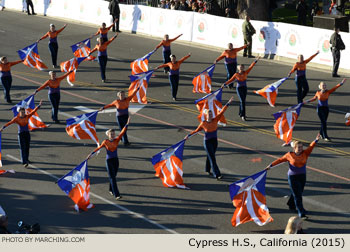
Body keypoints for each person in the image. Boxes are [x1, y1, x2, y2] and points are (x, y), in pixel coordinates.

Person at [265, 134, 321, 219]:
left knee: (299, 192)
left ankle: (291, 204)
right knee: (298, 195)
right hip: (293, 177)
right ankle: (301, 212)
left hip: (302, 176)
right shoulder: (289, 155)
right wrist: (271, 165)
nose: (301, 149)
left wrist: (316, 140)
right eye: (299, 147)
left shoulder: (305, 153)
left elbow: (311, 146)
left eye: (301, 147)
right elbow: (280, 160)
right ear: (294, 148)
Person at [185, 96, 234, 180]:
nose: (210, 116)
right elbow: (196, 131)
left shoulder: (215, 119)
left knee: (210, 155)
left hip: (214, 141)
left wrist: (228, 103)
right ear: (206, 115)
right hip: (207, 142)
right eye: (209, 115)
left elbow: (222, 111)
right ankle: (217, 174)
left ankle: (207, 169)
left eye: (211, 114)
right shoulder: (203, 124)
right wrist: (188, 136)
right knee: (213, 158)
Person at [87, 121, 130, 200]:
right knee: (112, 178)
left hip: (116, 160)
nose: (113, 135)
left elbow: (122, 132)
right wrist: (91, 154)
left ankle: (111, 189)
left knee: (114, 176)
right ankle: (116, 195)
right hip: (109, 161)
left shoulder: (116, 140)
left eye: (113, 134)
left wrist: (127, 123)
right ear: (108, 135)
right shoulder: (105, 142)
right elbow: (98, 149)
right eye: (111, 134)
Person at [0, 100, 43, 167]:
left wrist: (39, 106)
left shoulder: (27, 116)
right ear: (19, 112)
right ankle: (24, 162)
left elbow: (33, 111)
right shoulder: (16, 119)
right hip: (21, 134)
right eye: (22, 112)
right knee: (23, 148)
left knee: (27, 147)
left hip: (27, 133)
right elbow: (9, 123)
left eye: (24, 112)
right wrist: (2, 127)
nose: (23, 113)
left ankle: (27, 159)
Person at [223, 57, 260, 121]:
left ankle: (240, 113)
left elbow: (251, 66)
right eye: (240, 67)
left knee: (242, 101)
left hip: (244, 88)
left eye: (242, 67)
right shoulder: (236, 74)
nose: (241, 68)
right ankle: (243, 115)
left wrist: (256, 60)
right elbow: (230, 80)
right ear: (238, 68)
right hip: (239, 88)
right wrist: (224, 84)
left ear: (243, 68)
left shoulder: (246, 72)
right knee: (242, 101)